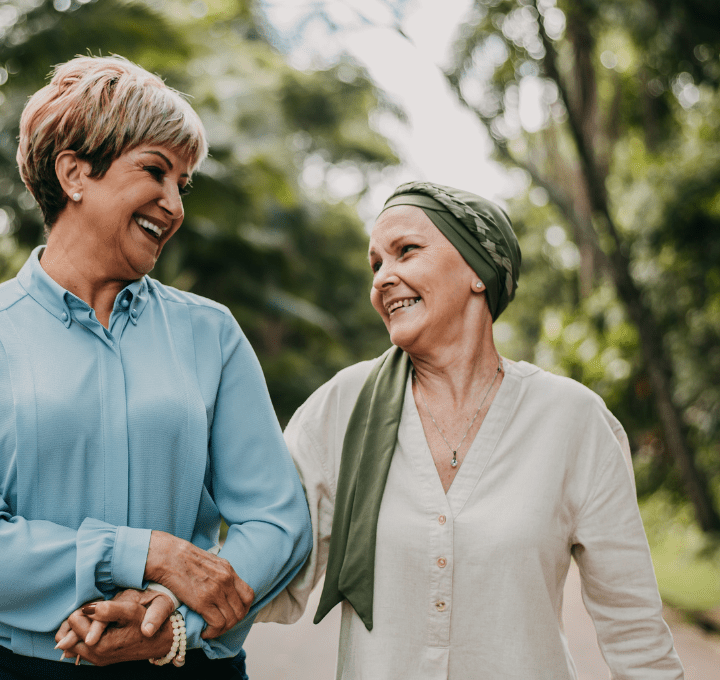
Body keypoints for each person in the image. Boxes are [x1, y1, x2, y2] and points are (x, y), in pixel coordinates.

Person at [0, 55, 311, 680]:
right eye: (155, 171)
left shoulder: (212, 334)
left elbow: (279, 521)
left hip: (183, 664)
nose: (174, 205)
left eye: (183, 182)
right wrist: (145, 553)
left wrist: (172, 623)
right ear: (75, 173)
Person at [257, 182, 685, 679]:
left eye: (406, 252)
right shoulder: (342, 406)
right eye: (376, 265)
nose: (382, 280)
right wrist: (166, 590)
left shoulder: (573, 420)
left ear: (478, 271)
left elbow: (634, 629)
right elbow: (268, 563)